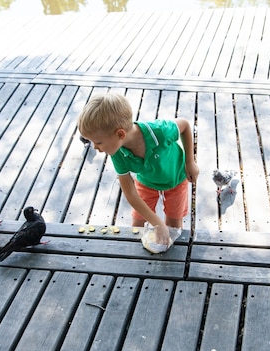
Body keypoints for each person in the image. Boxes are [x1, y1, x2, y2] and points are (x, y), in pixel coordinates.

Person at [78, 93, 199, 246]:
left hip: (175, 179)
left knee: (173, 224)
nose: (95, 147)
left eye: (98, 142)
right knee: (138, 224)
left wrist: (190, 162)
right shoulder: (117, 152)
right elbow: (130, 192)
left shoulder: (160, 131)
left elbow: (185, 125)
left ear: (120, 134)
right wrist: (156, 223)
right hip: (146, 181)